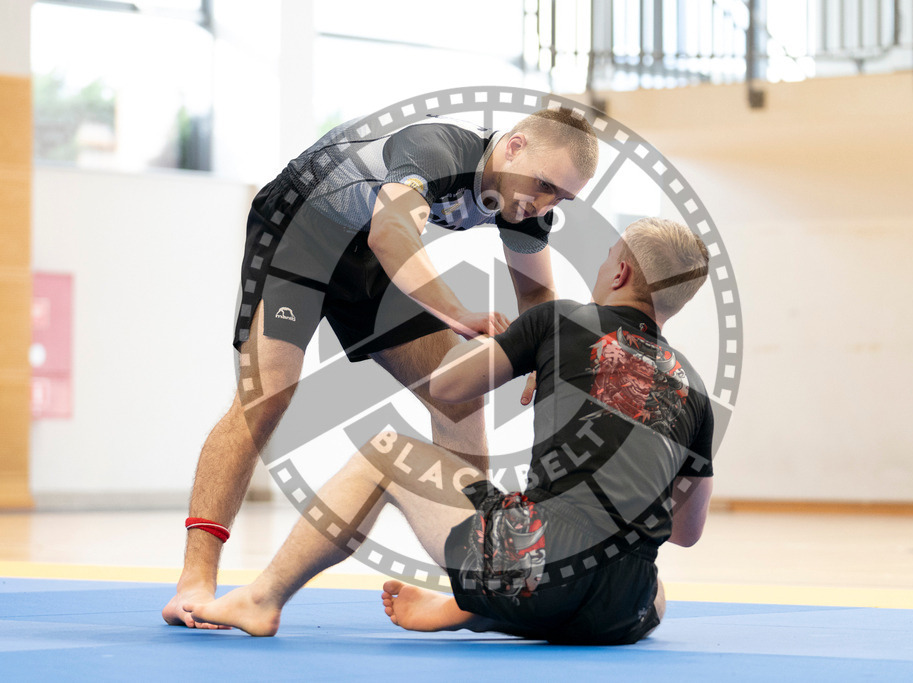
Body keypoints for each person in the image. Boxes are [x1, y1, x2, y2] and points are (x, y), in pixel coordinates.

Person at [184, 218, 716, 645]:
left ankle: (263, 598)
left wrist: (495, 340)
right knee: (646, 579)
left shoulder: (562, 319)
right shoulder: (693, 389)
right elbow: (686, 532)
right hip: (624, 612)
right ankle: (485, 610)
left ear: (621, 273)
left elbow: (448, 386)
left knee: (383, 454)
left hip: (536, 569)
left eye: (605, 261)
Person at [163, 107, 599, 628]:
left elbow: (535, 291)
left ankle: (477, 582)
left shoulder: (526, 204)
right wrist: (457, 313)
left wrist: (537, 359)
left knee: (458, 392)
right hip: (300, 231)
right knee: (267, 394)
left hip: (367, 245)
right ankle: (195, 578)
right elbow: (392, 233)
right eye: (544, 184)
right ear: (514, 146)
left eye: (562, 197)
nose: (543, 202)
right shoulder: (435, 148)